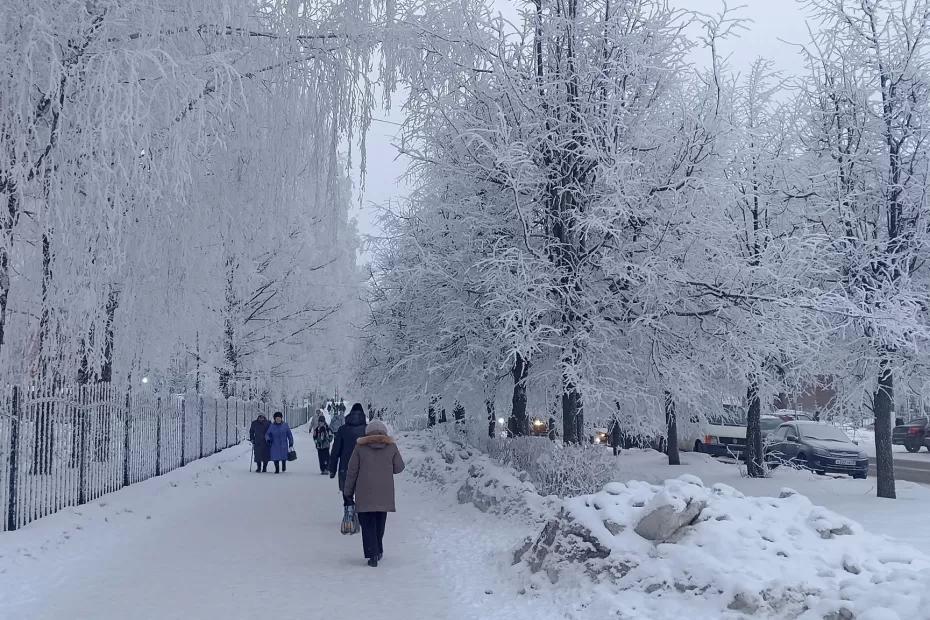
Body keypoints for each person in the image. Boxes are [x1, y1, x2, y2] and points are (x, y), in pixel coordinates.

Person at [343, 420, 405, 567]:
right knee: (379, 522)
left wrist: (348, 492)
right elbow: (399, 467)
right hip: (384, 492)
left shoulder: (360, 447)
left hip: (364, 492)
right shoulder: (391, 446)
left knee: (367, 523)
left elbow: (352, 471)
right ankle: (378, 550)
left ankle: (372, 553)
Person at [329, 403, 368, 495]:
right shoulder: (368, 430)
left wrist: (332, 469)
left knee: (347, 494)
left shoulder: (342, 430)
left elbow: (335, 451)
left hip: (345, 468)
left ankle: (349, 506)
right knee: (363, 496)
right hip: (365, 469)